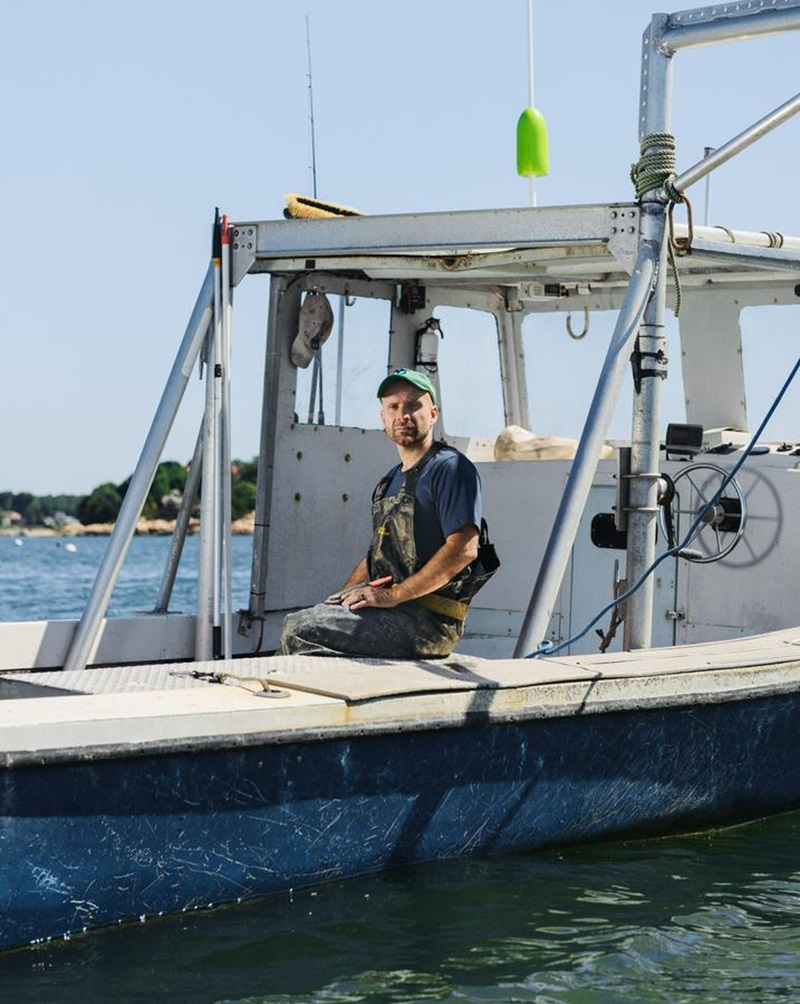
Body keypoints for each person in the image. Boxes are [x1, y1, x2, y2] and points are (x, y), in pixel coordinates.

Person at [279, 368, 496, 659]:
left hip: (429, 623)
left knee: (300, 630)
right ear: (383, 418)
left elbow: (464, 550)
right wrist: (337, 602)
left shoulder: (451, 468)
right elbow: (376, 555)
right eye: (393, 407)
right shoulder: (388, 482)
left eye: (413, 405)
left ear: (433, 413)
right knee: (310, 618)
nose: (402, 415)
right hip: (393, 613)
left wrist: (392, 595)